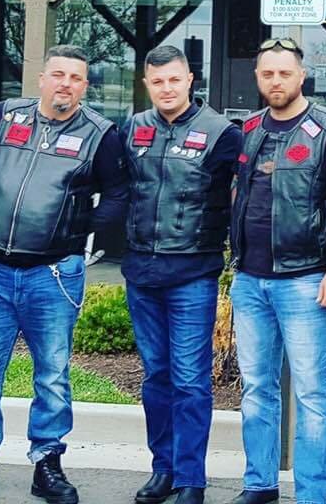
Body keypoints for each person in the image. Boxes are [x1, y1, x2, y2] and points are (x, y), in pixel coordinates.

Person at [0, 45, 128, 504]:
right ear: (42, 79)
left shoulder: (100, 134)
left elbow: (120, 194)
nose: (66, 84)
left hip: (54, 274)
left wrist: (81, 233)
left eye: (76, 78)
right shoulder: (3, 117)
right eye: (58, 74)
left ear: (85, 87)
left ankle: (47, 463)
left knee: (52, 375)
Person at [229, 37, 326, 504]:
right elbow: (239, 193)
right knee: (256, 389)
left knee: (312, 395)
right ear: (258, 78)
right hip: (250, 282)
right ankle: (259, 483)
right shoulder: (248, 129)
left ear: (301, 76)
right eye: (268, 74)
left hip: (305, 281)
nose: (276, 81)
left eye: (285, 73)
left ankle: (312, 495)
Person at [122, 45, 241, 504]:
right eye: (157, 81)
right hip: (141, 273)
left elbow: (244, 198)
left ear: (190, 79)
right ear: (146, 84)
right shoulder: (132, 128)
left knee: (190, 380)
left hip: (193, 273)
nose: (167, 88)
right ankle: (163, 469)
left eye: (174, 79)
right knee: (156, 377)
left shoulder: (221, 133)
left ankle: (191, 478)